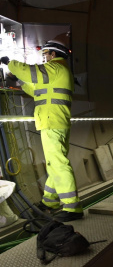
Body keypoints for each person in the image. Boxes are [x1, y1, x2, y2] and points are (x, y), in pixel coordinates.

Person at [0, 40, 84, 222]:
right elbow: (36, 88)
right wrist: (18, 82)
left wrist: (10, 64)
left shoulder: (56, 68)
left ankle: (72, 207)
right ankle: (50, 201)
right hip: (54, 121)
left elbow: (33, 73)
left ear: (53, 54)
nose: (44, 58)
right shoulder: (58, 72)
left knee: (59, 163)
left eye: (45, 54)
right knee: (54, 163)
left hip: (52, 122)